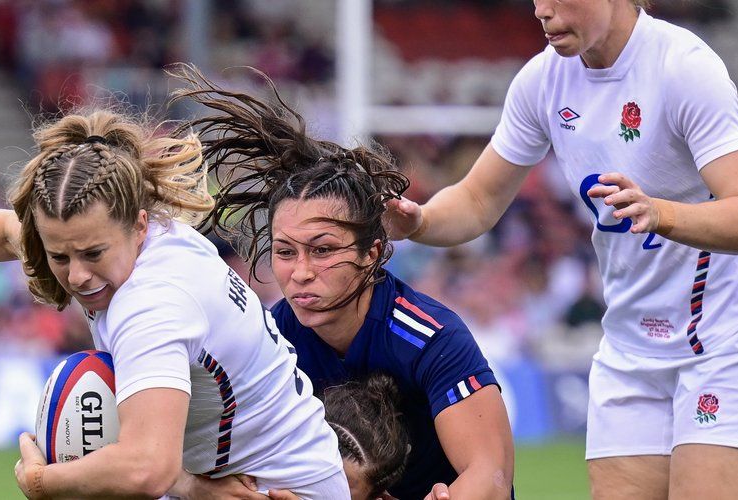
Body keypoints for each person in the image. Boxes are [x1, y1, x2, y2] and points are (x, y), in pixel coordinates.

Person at [381, 1, 738, 499]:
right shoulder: (542, 81)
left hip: (732, 340)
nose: (542, 10)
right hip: (631, 351)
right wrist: (421, 220)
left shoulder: (684, 66)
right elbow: (477, 200)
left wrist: (661, 212)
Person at [0, 110, 348, 499]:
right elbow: (4, 232)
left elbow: (145, 470)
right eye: (59, 256)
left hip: (278, 488)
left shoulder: (152, 305)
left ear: (138, 225)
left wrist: (43, 482)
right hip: (240, 475)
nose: (78, 275)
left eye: (92, 254)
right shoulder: (135, 233)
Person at [171, 64, 514, 500]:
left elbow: (491, 479)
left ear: (371, 254)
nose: (301, 272)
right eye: (285, 251)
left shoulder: (433, 339)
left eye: (323, 250)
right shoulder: (268, 337)